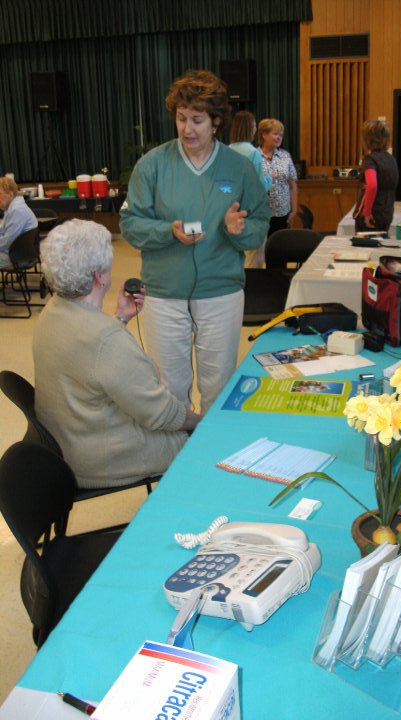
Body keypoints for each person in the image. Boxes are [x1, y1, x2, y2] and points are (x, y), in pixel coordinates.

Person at [120, 70, 270, 413]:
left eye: (198, 120)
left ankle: (209, 457)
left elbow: (260, 223)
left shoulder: (238, 167)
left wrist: (238, 230)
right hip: (164, 293)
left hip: (221, 292)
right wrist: (165, 232)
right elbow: (129, 224)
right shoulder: (153, 165)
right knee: (170, 390)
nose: (188, 129)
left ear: (216, 121)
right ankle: (175, 461)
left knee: (218, 388)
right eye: (181, 118)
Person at [33, 219, 201, 489]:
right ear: (100, 277)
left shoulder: (52, 311)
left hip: (65, 443)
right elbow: (162, 414)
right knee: (204, 441)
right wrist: (203, 422)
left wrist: (120, 318)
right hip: (101, 458)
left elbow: (89, 358)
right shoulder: (106, 340)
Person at [353, 120, 399, 233]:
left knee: (364, 248)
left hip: (373, 212)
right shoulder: (391, 159)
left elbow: (372, 185)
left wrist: (367, 213)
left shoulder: (370, 160)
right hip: (387, 211)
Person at [258, 118, 298, 236]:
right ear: (264, 134)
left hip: (282, 213)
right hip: (261, 213)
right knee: (261, 251)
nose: (279, 137)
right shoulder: (254, 156)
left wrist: (294, 210)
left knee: (279, 249)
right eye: (275, 134)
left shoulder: (285, 156)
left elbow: (292, 185)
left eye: (281, 134)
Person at [0, 176, 38, 267]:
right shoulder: (11, 207)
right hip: (16, 251)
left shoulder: (17, 210)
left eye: (0, 194)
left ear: (10, 194)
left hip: (18, 256)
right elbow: (3, 231)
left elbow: (7, 241)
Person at [229, 111, 272, 191]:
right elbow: (260, 186)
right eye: (254, 126)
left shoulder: (226, 151)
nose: (255, 129)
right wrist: (270, 179)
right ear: (250, 128)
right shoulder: (253, 153)